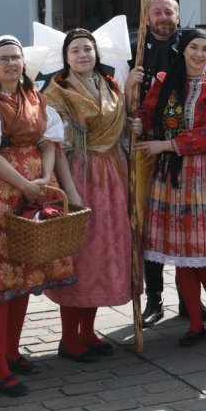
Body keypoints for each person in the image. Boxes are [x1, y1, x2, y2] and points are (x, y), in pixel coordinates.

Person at [0, 35, 74, 397]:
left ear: (24, 63)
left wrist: (45, 178)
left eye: (16, 58)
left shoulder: (36, 98)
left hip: (34, 185)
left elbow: (49, 142)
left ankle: (12, 350)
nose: (10, 64)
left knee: (23, 269)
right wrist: (24, 183)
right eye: (3, 58)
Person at [137, 27, 206, 345]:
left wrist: (165, 145)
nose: (200, 54)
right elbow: (147, 116)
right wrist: (138, 120)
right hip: (171, 174)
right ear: (182, 51)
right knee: (181, 251)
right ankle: (195, 322)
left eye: (205, 49)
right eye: (194, 48)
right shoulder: (163, 83)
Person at [44, 28, 132, 360]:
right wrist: (69, 190)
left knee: (104, 253)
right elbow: (55, 141)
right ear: (66, 57)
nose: (83, 55)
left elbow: (120, 123)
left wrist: (131, 121)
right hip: (80, 171)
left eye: (88, 49)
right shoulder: (57, 91)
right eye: (76, 50)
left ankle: (88, 329)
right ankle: (69, 337)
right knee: (80, 254)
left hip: (112, 171)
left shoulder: (110, 85)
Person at [125, 0, 182, 324]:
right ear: (147, 18)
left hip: (182, 146)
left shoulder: (192, 44)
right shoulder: (133, 50)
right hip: (145, 146)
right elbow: (118, 101)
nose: (163, 17)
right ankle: (155, 298)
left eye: (168, 12)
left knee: (185, 221)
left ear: (177, 14)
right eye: (156, 12)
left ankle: (189, 300)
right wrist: (129, 88)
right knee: (146, 223)